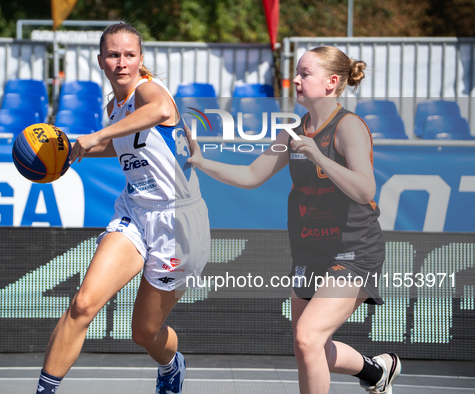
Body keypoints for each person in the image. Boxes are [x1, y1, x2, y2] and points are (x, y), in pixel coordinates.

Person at [186, 46, 401, 394]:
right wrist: (200, 161)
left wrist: (319, 156)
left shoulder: (349, 128)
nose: (296, 80)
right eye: (296, 73)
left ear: (331, 82)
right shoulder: (293, 131)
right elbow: (253, 174)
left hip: (353, 252)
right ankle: (376, 373)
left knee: (307, 337)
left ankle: (375, 374)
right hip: (310, 252)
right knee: (308, 347)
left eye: (304, 74)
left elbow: (365, 189)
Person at [34, 22, 210, 394]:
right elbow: (122, 145)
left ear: (140, 59)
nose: (121, 62)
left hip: (178, 220)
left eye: (129, 54)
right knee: (83, 305)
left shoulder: (150, 91)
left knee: (144, 332)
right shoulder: (115, 106)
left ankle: (170, 364)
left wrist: (97, 134)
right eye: (113, 54)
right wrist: (70, 151)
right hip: (135, 209)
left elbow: (160, 109)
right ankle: (44, 390)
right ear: (101, 60)